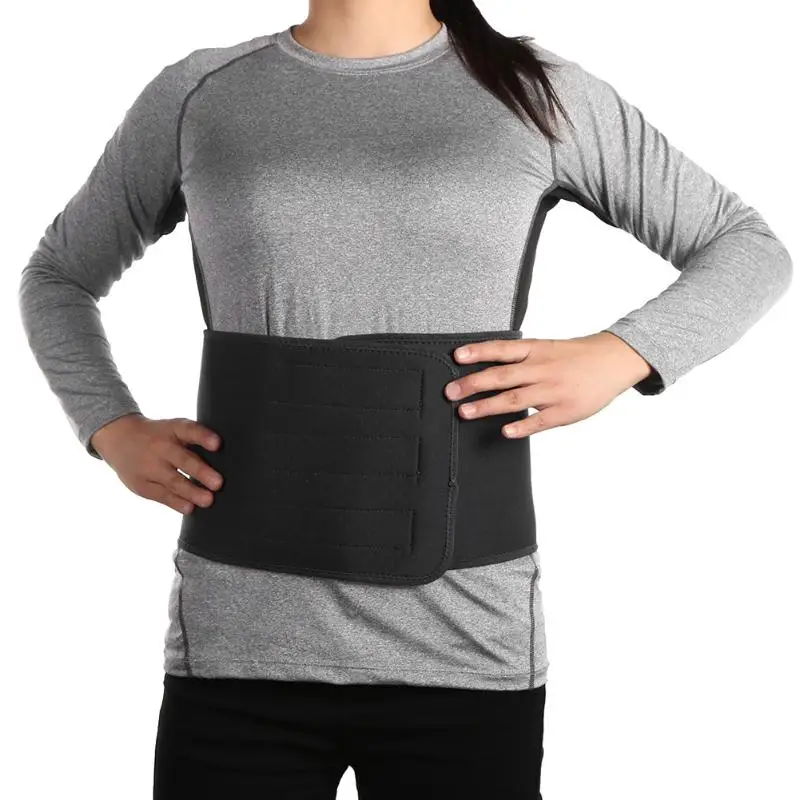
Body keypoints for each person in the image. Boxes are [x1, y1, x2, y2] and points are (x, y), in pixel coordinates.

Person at [18, 1, 792, 798]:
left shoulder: (534, 92)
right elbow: (58, 275)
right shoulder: (201, 92)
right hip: (240, 647)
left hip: (464, 648)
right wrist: (109, 424)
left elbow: (746, 247)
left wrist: (623, 354)